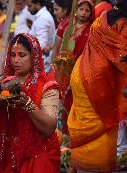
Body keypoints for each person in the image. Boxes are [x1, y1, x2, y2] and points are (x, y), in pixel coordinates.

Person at [0, 34, 60, 173]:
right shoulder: (5, 82)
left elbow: (49, 127)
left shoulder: (47, 85)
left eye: (22, 55)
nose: (16, 60)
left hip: (39, 154)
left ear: (34, 56)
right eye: (13, 55)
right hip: (10, 157)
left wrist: (27, 104)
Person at [66, 1, 127, 173]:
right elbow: (123, 54)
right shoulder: (123, 23)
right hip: (98, 79)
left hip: (81, 72)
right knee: (106, 122)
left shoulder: (103, 17)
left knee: (83, 123)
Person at [51, 0, 94, 134]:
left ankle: (67, 134)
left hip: (78, 71)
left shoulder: (91, 30)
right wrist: (54, 66)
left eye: (87, 11)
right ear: (75, 9)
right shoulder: (65, 25)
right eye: (81, 9)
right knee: (54, 99)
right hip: (60, 70)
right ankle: (53, 131)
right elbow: (56, 48)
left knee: (70, 102)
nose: (84, 13)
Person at [27, 0, 56, 71]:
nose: (28, 9)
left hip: (41, 62)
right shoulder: (41, 16)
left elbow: (42, 44)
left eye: (30, 6)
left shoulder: (43, 18)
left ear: (38, 4)